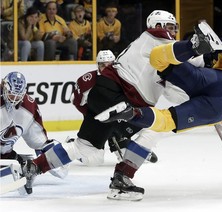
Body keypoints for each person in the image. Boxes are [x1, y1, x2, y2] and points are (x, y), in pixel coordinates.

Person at [95, 21, 222, 199]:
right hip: (221, 103)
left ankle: (125, 153)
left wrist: (211, 51)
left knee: (157, 61)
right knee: (163, 123)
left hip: (203, 80)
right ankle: (132, 116)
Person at [20, 10, 181, 201]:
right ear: (159, 26)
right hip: (123, 103)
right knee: (155, 128)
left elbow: (170, 89)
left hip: (110, 101)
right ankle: (122, 177)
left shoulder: (146, 45)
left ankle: (35, 166)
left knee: (84, 148)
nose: (173, 31)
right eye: (170, 27)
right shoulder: (158, 41)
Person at [0, 71, 68, 195]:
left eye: (18, 95)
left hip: (5, 157)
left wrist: (54, 157)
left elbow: (40, 142)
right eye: (11, 94)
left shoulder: (28, 107)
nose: (14, 99)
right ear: (4, 87)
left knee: (55, 163)